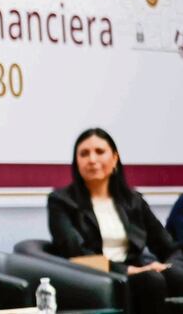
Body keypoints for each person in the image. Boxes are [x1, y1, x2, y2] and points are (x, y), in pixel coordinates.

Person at [49, 128, 183, 314]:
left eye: (100, 152)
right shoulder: (61, 201)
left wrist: (171, 265)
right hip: (97, 274)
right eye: (84, 154)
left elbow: (167, 245)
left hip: (138, 269)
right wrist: (127, 270)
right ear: (76, 162)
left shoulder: (133, 200)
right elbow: (75, 253)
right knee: (152, 280)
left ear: (114, 158)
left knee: (176, 275)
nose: (92, 160)